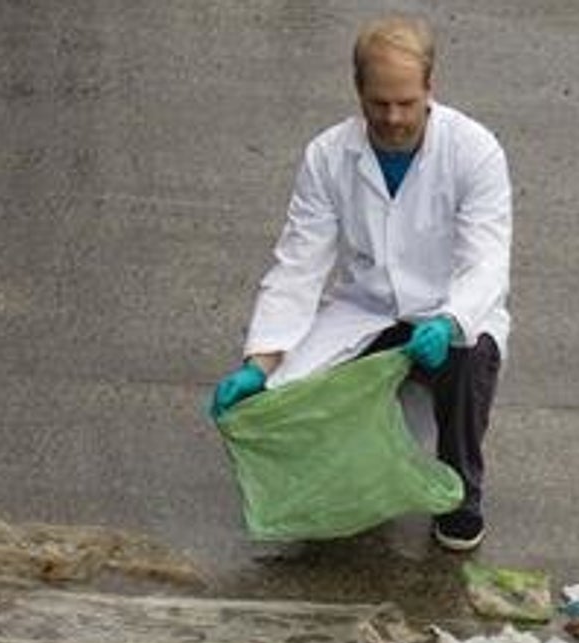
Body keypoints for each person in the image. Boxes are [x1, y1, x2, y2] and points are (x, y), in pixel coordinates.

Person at [211, 14, 511, 552]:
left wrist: (450, 318)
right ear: (358, 93)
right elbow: (300, 263)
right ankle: (348, 485)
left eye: (406, 103)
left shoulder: (474, 151)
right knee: (288, 398)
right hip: (367, 310)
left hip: (450, 312)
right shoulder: (328, 157)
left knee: (467, 359)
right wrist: (261, 362)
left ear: (429, 90)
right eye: (379, 104)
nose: (393, 118)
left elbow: (486, 261)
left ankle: (462, 492)